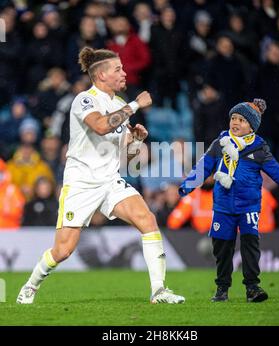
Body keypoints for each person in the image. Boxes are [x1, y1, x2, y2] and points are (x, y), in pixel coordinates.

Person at [16, 47, 185, 305]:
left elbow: (125, 157)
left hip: (110, 181)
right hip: (81, 183)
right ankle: (30, 285)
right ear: (101, 75)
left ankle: (159, 291)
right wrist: (136, 104)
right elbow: (101, 125)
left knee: (147, 219)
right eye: (118, 69)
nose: (124, 73)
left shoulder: (118, 104)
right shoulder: (85, 100)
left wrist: (135, 142)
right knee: (63, 250)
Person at [178, 98, 279, 303]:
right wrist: (187, 185)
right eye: (233, 118)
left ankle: (252, 288)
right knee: (222, 248)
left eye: (241, 120)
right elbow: (204, 166)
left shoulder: (260, 149)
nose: (235, 122)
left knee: (250, 245)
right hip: (223, 206)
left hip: (249, 206)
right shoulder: (220, 144)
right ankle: (222, 289)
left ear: (251, 126)